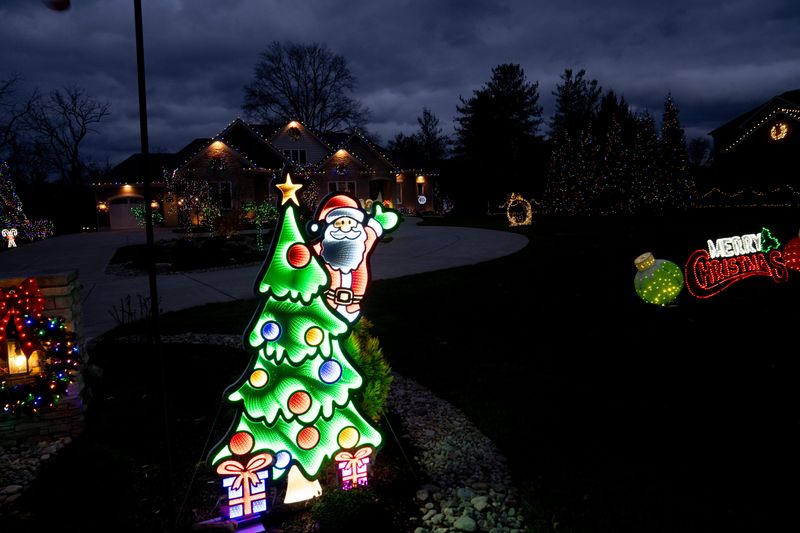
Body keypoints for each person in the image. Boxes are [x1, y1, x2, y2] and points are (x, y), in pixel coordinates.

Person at [310, 193, 398, 322]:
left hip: (354, 305)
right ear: (329, 226)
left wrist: (380, 219)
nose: (345, 227)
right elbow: (304, 253)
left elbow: (375, 228)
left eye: (350, 222)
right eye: (340, 223)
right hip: (327, 303)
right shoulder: (322, 248)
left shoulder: (362, 243)